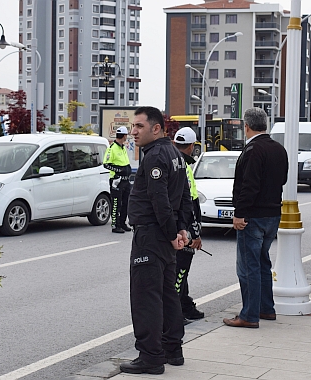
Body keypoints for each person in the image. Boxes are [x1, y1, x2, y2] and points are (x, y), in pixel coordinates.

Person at [120, 106, 192, 375]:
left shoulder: (155, 157)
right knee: (167, 293)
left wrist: (174, 233)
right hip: (163, 234)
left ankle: (151, 356)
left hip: (151, 235)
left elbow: (160, 200)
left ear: (157, 128)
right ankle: (173, 349)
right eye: (132, 127)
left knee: (145, 297)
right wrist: (181, 229)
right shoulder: (174, 154)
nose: (133, 132)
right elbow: (184, 195)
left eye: (139, 126)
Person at [223, 107, 288, 328]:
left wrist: (239, 213)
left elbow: (248, 185)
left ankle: (249, 315)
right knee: (262, 263)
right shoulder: (279, 149)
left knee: (248, 266)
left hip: (253, 216)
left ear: (246, 126)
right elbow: (284, 179)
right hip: (272, 214)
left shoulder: (252, 150)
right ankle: (266, 309)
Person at [172, 127, 205, 323]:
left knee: (180, 272)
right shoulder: (182, 166)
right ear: (192, 146)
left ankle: (184, 305)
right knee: (180, 270)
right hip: (184, 226)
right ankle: (175, 312)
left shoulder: (175, 161)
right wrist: (195, 234)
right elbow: (190, 204)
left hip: (176, 224)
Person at [103, 126, 133, 233]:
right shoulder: (112, 148)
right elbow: (106, 164)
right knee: (116, 203)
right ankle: (115, 225)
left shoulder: (123, 147)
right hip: (117, 180)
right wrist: (118, 170)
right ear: (124, 136)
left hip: (126, 180)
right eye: (126, 136)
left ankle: (122, 223)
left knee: (126, 202)